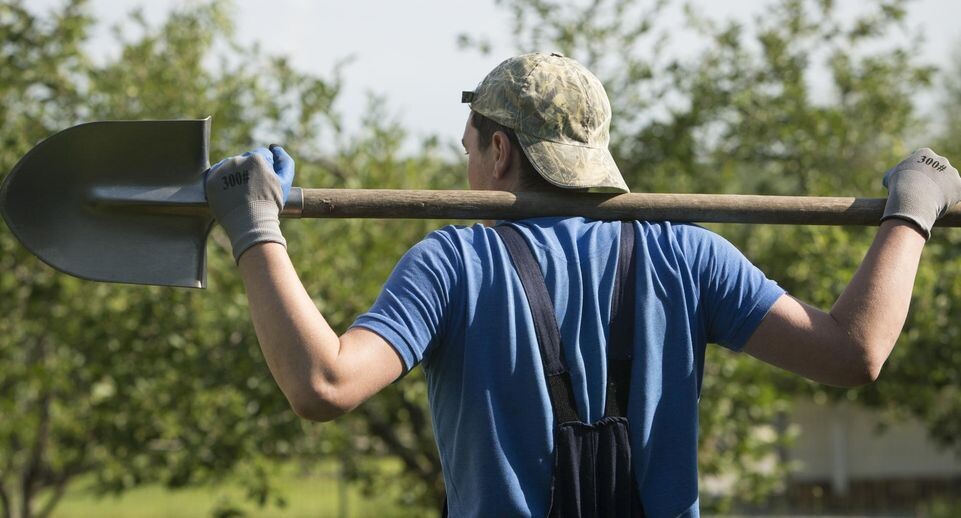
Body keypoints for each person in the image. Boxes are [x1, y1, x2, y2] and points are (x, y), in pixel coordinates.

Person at [204, 53, 961, 517]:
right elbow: (853, 353)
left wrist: (253, 229)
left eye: (469, 145)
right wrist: (911, 213)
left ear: (498, 151)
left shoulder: (453, 264)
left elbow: (324, 386)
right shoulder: (687, 255)